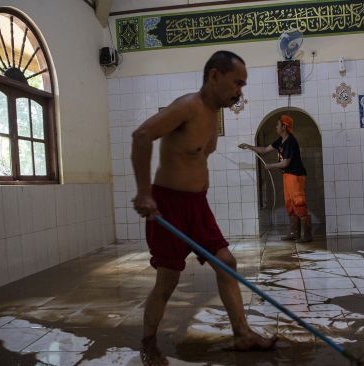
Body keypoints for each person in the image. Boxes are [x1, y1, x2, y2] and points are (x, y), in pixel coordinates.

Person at [131, 50, 277, 366]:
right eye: (237, 82)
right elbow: (142, 135)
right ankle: (148, 343)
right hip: (168, 205)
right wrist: (145, 192)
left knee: (226, 262)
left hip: (197, 207)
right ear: (214, 76)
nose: (240, 91)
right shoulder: (188, 107)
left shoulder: (214, 114)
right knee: (167, 281)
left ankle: (242, 334)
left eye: (243, 84)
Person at [238, 114, 312, 243]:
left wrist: (271, 165)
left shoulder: (290, 141)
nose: (276, 127)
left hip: (296, 175)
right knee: (290, 204)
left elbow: (286, 163)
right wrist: (248, 146)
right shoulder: (280, 140)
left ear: (284, 126)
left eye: (278, 124)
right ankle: (294, 233)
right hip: (288, 175)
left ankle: (307, 235)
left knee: (299, 203)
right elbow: (265, 149)